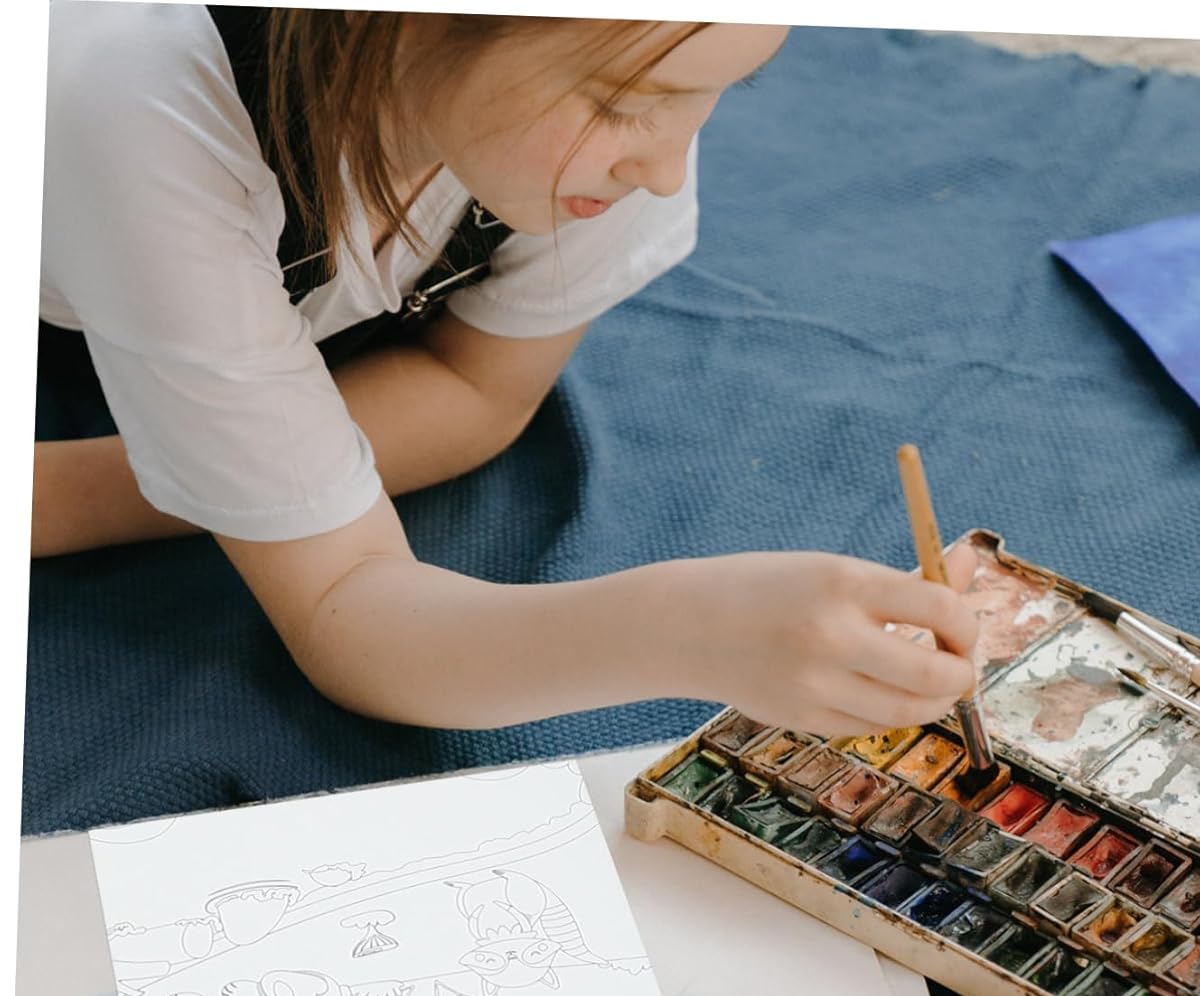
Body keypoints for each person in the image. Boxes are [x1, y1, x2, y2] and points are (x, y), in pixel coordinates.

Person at [33, 5, 979, 738]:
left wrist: (231, 473)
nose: (665, 170)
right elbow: (346, 613)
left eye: (725, 86)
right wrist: (690, 629)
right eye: (620, 103)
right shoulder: (142, 107)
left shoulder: (594, 123)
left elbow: (476, 389)